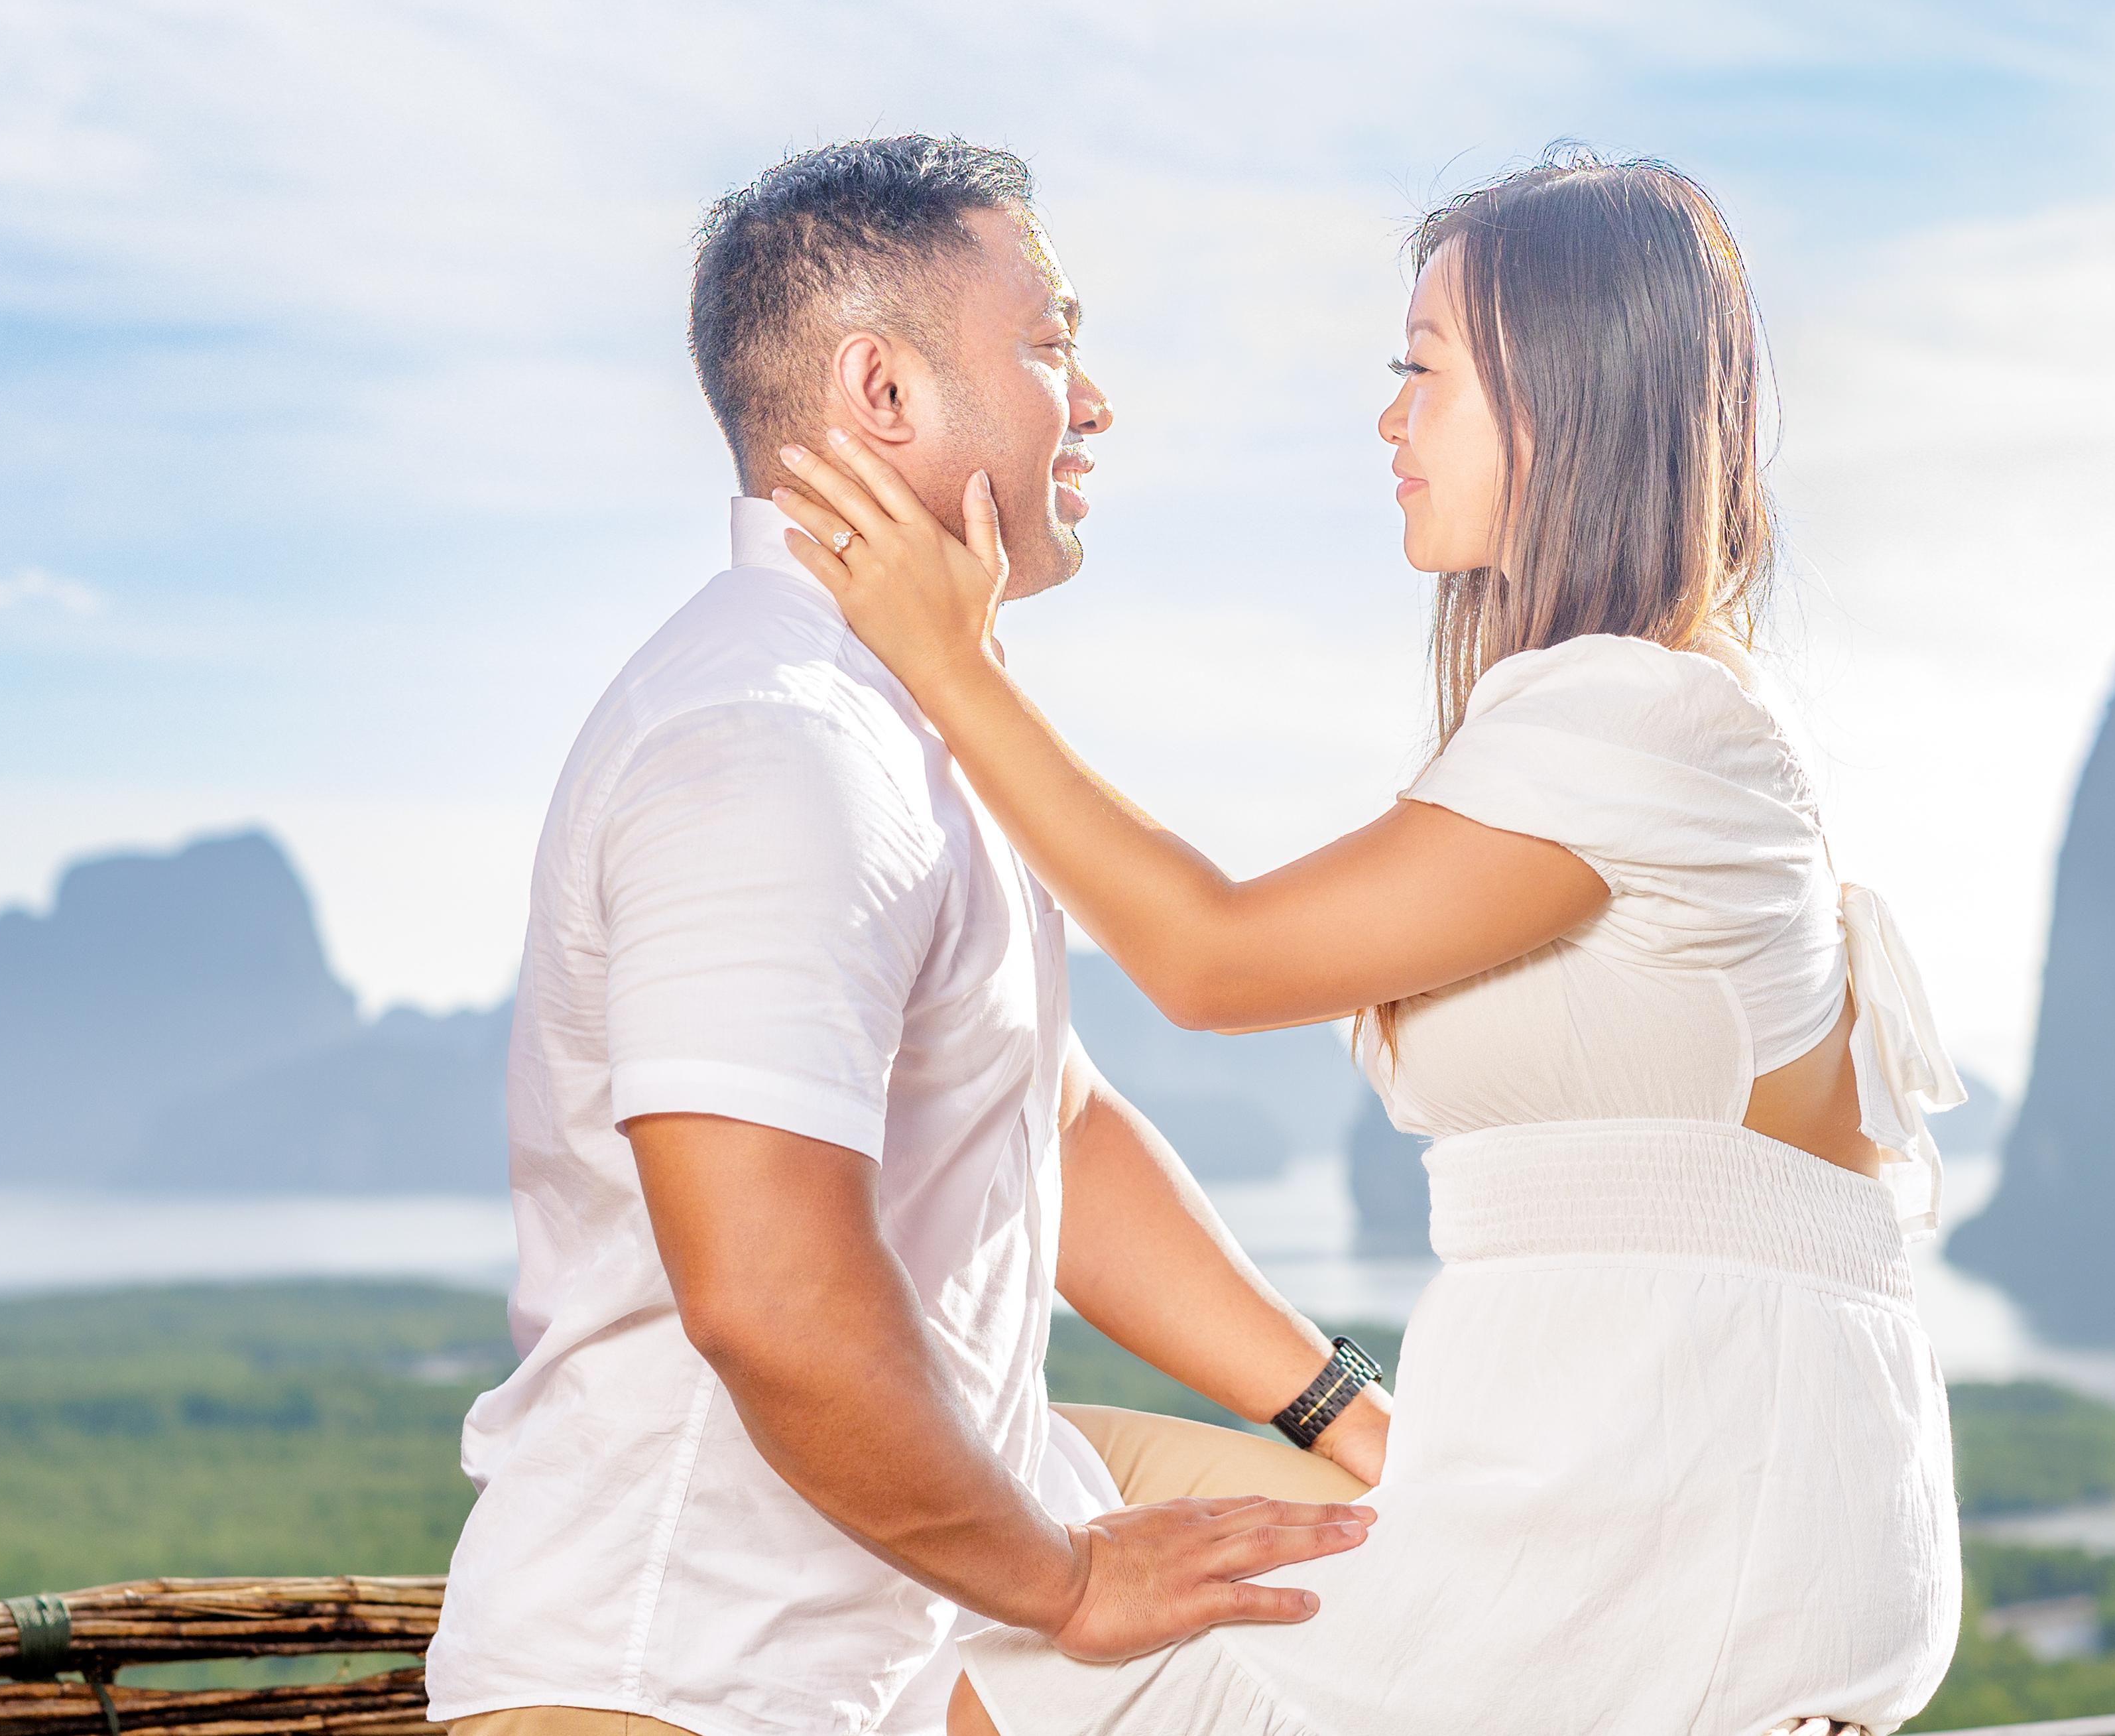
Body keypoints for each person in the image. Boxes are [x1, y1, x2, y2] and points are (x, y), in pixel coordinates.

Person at [774, 151, 1970, 1736]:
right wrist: (1346, 1410)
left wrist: (946, 660)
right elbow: (1063, 1104)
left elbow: (1210, 960)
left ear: (1564, 401)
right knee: (999, 1470)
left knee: (993, 1670)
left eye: (1424, 374)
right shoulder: (1650, 708)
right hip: (1631, 1499)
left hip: (1659, 1550)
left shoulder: (1637, 714)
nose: (1389, 421)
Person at [424, 135, 1398, 1736]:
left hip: (876, 1661)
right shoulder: (771, 744)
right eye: (1049, 342)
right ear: (883, 395)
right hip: (674, 1682)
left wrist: (1337, 1404)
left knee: (1411, 1580)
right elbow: (765, 1294)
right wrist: (1068, 1583)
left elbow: (1044, 1115)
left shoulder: (899, 728)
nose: (1091, 403)